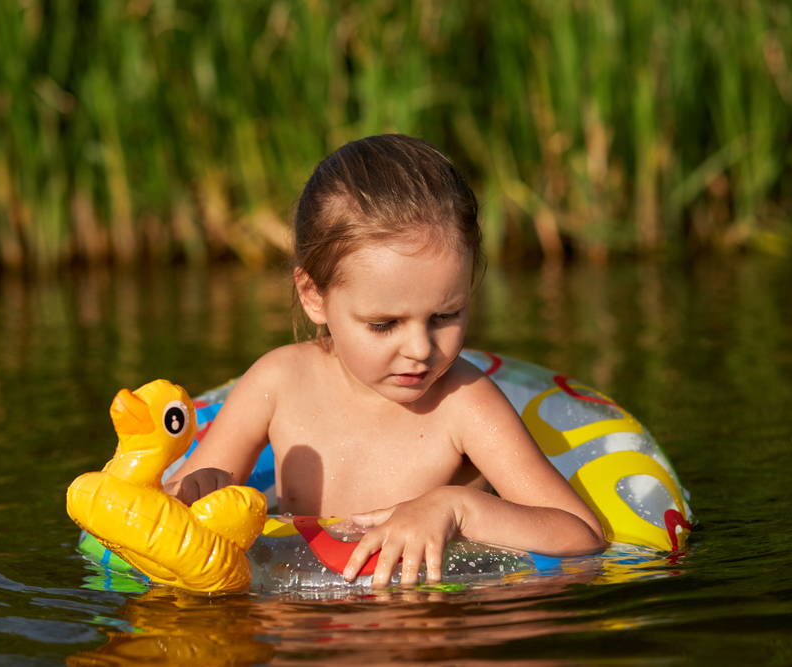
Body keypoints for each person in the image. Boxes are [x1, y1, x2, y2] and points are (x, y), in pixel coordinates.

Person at [165, 134, 607, 587]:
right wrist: (202, 489)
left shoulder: (464, 404)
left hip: (425, 633)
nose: (420, 348)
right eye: (384, 324)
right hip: (300, 628)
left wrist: (458, 508)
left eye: (446, 315)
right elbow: (174, 499)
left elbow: (582, 533)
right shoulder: (278, 383)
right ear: (314, 295)